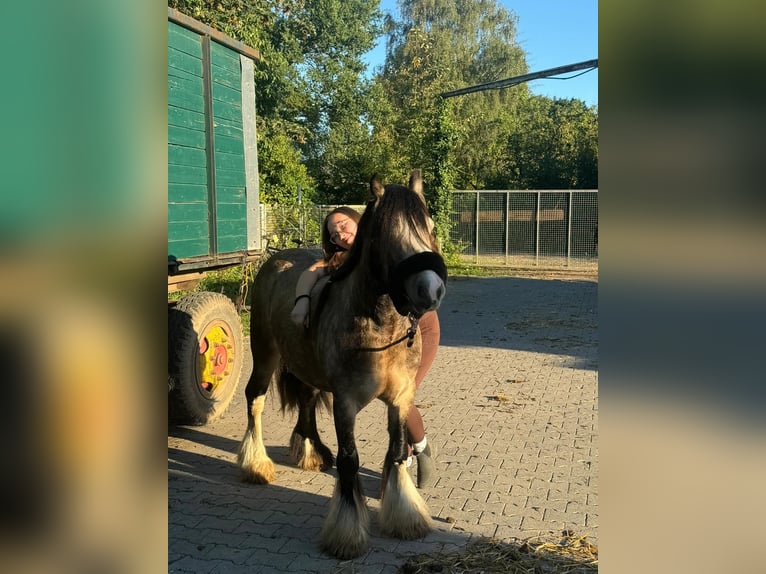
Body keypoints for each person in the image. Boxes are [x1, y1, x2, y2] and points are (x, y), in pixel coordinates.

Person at [290, 207, 440, 488]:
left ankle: (416, 452)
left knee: (402, 398)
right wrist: (302, 300)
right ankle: (409, 460)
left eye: (344, 225)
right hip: (380, 338)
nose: (340, 233)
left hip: (420, 328)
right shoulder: (340, 261)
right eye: (334, 232)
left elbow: (419, 242)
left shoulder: (386, 247)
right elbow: (310, 274)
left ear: (360, 223)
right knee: (393, 397)